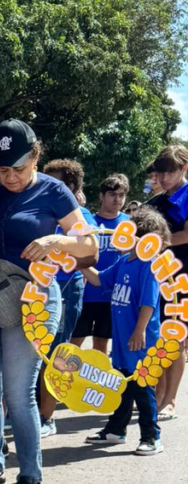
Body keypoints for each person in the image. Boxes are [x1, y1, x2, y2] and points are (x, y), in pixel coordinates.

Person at [0, 120, 96, 484]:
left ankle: (30, 479)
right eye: (1, 169)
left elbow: (90, 247)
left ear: (36, 156)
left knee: (18, 392)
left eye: (17, 167)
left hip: (34, 300)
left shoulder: (55, 191)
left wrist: (57, 240)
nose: (9, 176)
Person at [83, 206, 168, 455]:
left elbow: (148, 303)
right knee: (121, 384)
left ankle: (152, 436)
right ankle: (116, 430)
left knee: (141, 386)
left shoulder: (148, 265)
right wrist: (78, 263)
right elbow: (99, 279)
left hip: (138, 339)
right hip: (122, 338)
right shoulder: (124, 261)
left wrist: (139, 331)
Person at [38, 159, 97, 438]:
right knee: (31, 351)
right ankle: (24, 411)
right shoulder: (38, 208)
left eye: (56, 182)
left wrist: (61, 251)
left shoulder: (82, 216)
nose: (46, 187)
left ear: (72, 187)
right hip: (34, 288)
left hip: (66, 290)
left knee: (57, 354)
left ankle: (47, 417)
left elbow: (89, 255)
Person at [145, 145, 188, 421]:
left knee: (176, 337)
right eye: (160, 173)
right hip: (155, 276)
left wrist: (158, 243)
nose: (163, 177)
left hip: (182, 276)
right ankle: (156, 396)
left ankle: (170, 399)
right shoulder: (156, 201)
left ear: (184, 169)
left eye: (169, 172)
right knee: (155, 336)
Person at [72, 174, 131, 353]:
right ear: (101, 196)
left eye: (121, 195)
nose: (117, 199)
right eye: (113, 194)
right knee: (73, 343)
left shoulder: (128, 224)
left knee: (101, 345)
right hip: (85, 293)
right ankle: (64, 379)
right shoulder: (89, 221)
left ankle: (96, 381)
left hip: (111, 296)